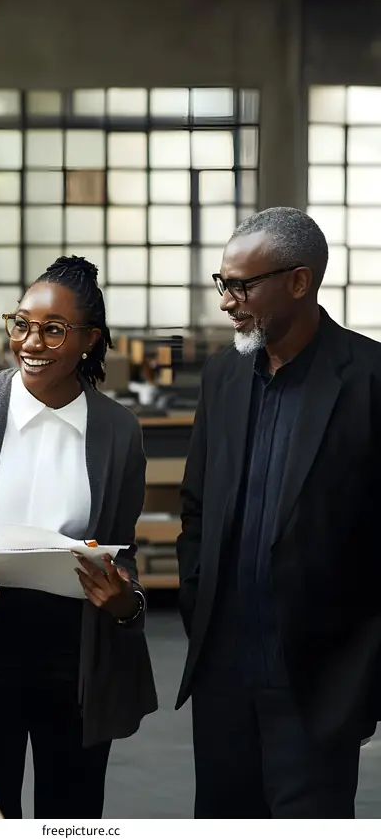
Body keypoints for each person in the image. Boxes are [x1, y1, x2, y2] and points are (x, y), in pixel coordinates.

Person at [0, 255, 157, 819]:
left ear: (90, 340)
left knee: (72, 812)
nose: (31, 342)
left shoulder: (117, 430)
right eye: (21, 323)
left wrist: (125, 599)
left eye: (54, 329)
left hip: (77, 648)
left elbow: (122, 549)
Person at [176, 208, 381, 818]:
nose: (227, 302)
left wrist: (363, 678)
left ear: (299, 281)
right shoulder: (223, 375)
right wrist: (199, 608)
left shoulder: (370, 380)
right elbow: (197, 509)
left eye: (243, 286)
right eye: (224, 283)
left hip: (319, 683)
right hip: (223, 679)